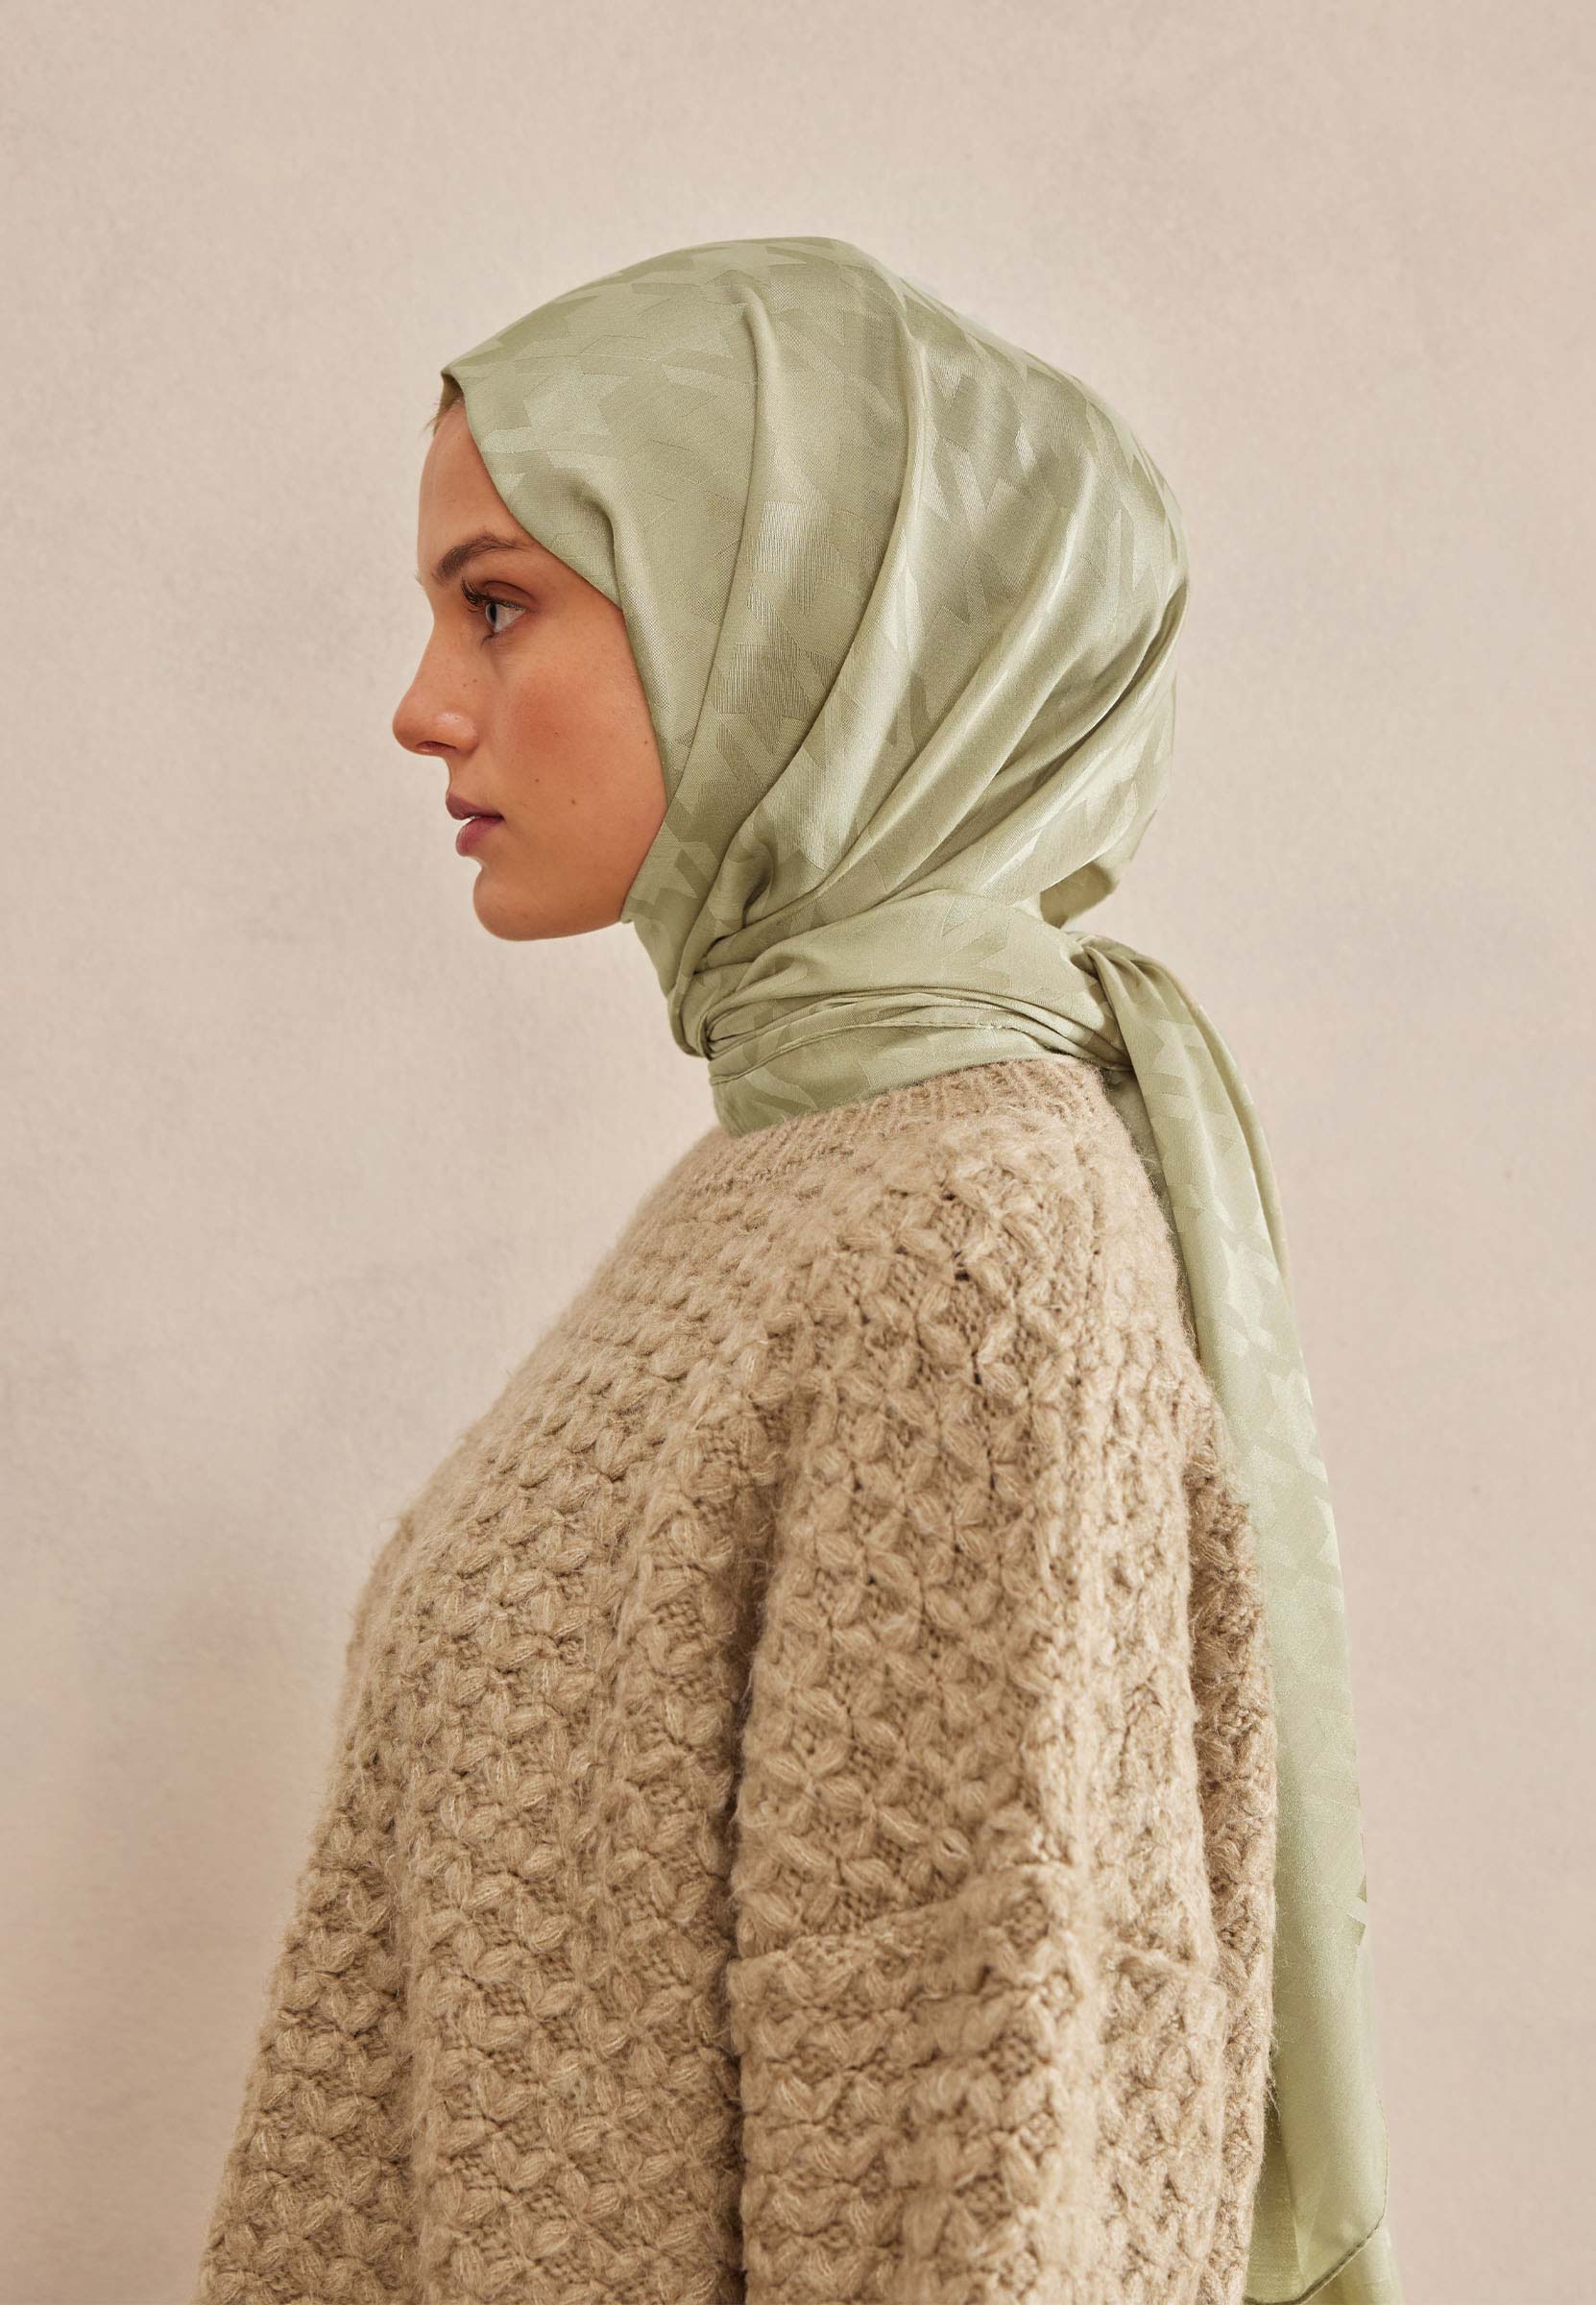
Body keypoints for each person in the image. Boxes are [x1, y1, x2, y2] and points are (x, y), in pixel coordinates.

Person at [189, 235, 1397, 2305]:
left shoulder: (969, 1243)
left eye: (499, 604)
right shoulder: (789, 1175)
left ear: (796, 618)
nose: (421, 704)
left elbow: (978, 2164)